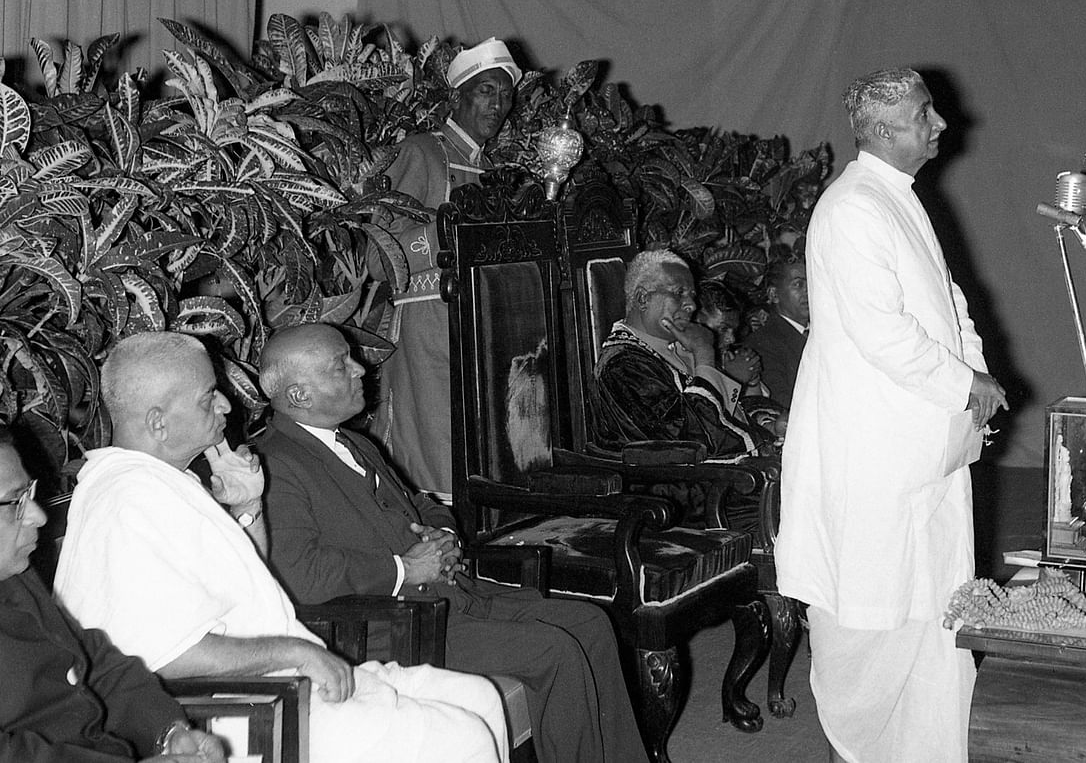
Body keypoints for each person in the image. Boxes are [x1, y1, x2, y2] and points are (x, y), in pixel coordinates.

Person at [54, 332, 509, 763]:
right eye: (208, 396)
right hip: (234, 712)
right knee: (462, 737)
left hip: (276, 679)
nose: (226, 404)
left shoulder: (165, 480)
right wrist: (299, 654)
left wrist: (248, 507)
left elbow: (246, 588)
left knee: (482, 699)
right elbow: (167, 656)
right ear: (158, 422)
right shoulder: (127, 500)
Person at [255, 323, 649, 763]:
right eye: (340, 364)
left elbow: (421, 503)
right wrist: (405, 568)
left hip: (450, 597)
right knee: (554, 651)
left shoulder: (354, 443)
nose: (359, 369)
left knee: (589, 623)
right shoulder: (275, 464)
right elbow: (299, 573)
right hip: (390, 629)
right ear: (299, 396)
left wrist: (443, 534)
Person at [774, 68, 1008, 763]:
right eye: (923, 113)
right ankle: (864, 750)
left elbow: (949, 301)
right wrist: (965, 383)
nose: (939, 123)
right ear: (879, 130)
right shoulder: (851, 207)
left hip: (922, 449)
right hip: (870, 455)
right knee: (868, 619)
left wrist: (975, 372)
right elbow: (884, 333)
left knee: (934, 611)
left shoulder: (896, 197)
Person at [0, 424, 226, 763]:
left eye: (29, 494)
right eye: (15, 503)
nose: (38, 516)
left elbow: (91, 659)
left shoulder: (15, 575)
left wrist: (168, 733)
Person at [370, 37, 521, 501]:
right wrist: (439, 249)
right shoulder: (422, 151)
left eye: (506, 95)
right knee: (433, 439)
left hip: (481, 324)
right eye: (486, 91)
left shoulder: (493, 168)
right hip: (429, 321)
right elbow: (378, 248)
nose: (498, 104)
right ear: (457, 96)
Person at [592, 249, 781, 460]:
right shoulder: (622, 365)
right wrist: (704, 354)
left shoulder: (676, 347)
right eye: (678, 293)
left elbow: (727, 416)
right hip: (683, 484)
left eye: (691, 295)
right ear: (643, 298)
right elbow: (695, 440)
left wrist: (769, 426)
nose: (691, 305)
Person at [742, 254, 810, 408]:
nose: (808, 292)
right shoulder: (762, 343)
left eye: (811, 284)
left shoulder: (826, 332)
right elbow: (781, 401)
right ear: (773, 295)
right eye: (798, 284)